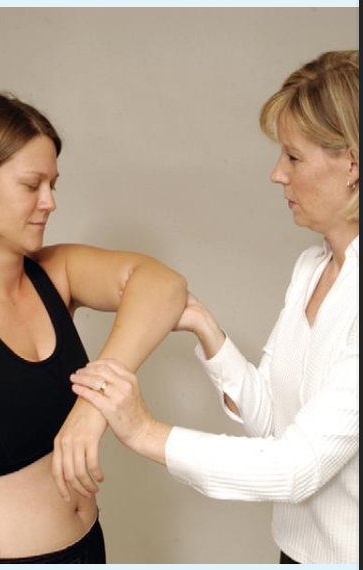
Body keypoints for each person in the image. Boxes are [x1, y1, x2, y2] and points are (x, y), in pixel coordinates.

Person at [70, 50, 359, 565]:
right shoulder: (311, 269)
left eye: (293, 158)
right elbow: (272, 421)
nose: (277, 174)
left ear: (353, 165)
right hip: (294, 554)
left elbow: (295, 468)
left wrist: (146, 432)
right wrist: (208, 332)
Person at [0, 93, 188, 564]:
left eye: (53, 185)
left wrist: (92, 406)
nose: (49, 203)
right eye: (32, 185)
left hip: (92, 546)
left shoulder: (55, 273)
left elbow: (165, 286)